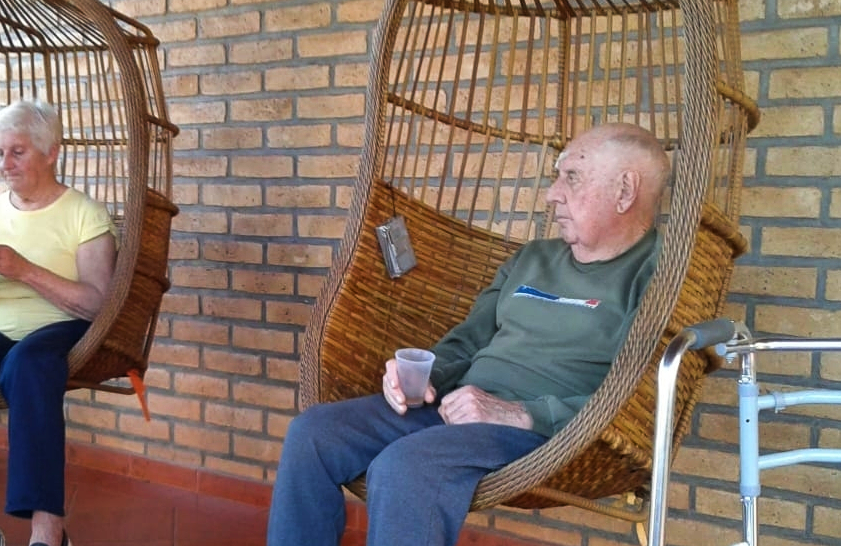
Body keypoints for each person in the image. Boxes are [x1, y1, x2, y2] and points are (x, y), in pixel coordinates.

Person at [266, 122, 672, 546]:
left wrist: (520, 413)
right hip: (457, 408)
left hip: (546, 434)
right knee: (313, 434)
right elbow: (468, 341)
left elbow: (639, 401)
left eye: (572, 177)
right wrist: (425, 377)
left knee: (406, 466)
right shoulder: (533, 258)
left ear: (625, 191)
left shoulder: (657, 275)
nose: (552, 194)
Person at [0, 99, 118, 546]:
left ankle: (47, 529)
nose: (4, 164)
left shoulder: (84, 213)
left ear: (51, 152)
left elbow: (99, 304)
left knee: (28, 365)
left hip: (60, 325)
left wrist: (23, 269)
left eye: (17, 152)